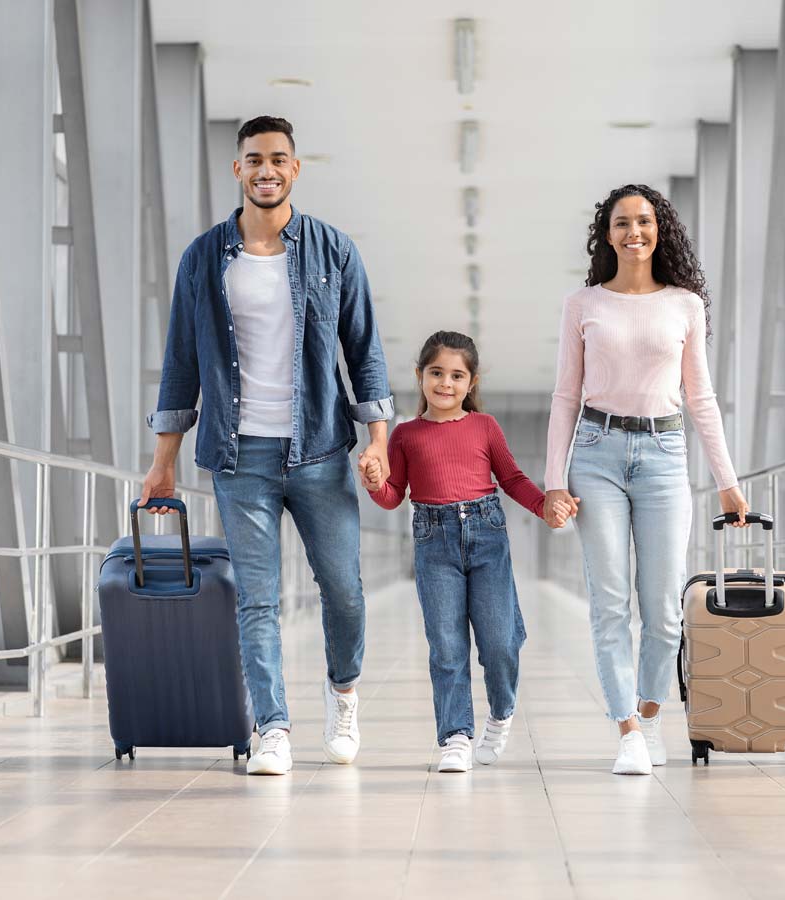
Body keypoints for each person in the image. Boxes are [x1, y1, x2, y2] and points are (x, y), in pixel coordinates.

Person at [140, 116, 393, 776]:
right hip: (238, 454)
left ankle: (343, 693)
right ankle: (272, 727)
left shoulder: (333, 250)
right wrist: (163, 460)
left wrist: (379, 441)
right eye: (254, 159)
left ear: (295, 168)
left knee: (344, 593)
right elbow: (181, 361)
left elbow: (363, 351)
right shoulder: (204, 256)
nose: (266, 169)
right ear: (238, 170)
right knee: (257, 600)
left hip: (319, 449)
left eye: (278, 158)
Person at [543, 184, 749, 775]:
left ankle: (652, 713)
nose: (635, 231)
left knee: (661, 610)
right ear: (606, 235)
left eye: (645, 221)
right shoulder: (583, 305)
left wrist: (727, 481)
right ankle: (627, 731)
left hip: (663, 454)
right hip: (596, 452)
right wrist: (554, 480)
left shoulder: (685, 304)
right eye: (622, 223)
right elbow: (564, 396)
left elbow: (700, 397)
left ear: (660, 230)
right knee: (610, 603)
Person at [362, 331, 572, 772]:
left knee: (499, 642)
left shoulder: (485, 427)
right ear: (420, 376)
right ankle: (455, 735)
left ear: (472, 382)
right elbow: (394, 494)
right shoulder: (405, 434)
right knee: (446, 645)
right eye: (436, 373)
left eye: (457, 375)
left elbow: (512, 478)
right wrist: (376, 482)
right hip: (432, 540)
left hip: (486, 535)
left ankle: (501, 710)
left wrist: (544, 505)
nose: (446, 383)